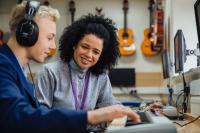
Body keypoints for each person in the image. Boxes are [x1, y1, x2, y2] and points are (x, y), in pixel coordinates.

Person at [0, 1, 140, 133]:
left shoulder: (17, 69)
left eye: (96, 51)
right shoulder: (3, 65)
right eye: (49, 37)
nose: (53, 46)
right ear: (27, 33)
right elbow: (18, 117)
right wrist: (90, 117)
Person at [34, 14, 120, 112]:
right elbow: (40, 114)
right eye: (85, 47)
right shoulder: (49, 72)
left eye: (96, 52)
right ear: (74, 44)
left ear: (101, 55)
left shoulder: (101, 77)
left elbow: (110, 105)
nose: (89, 55)